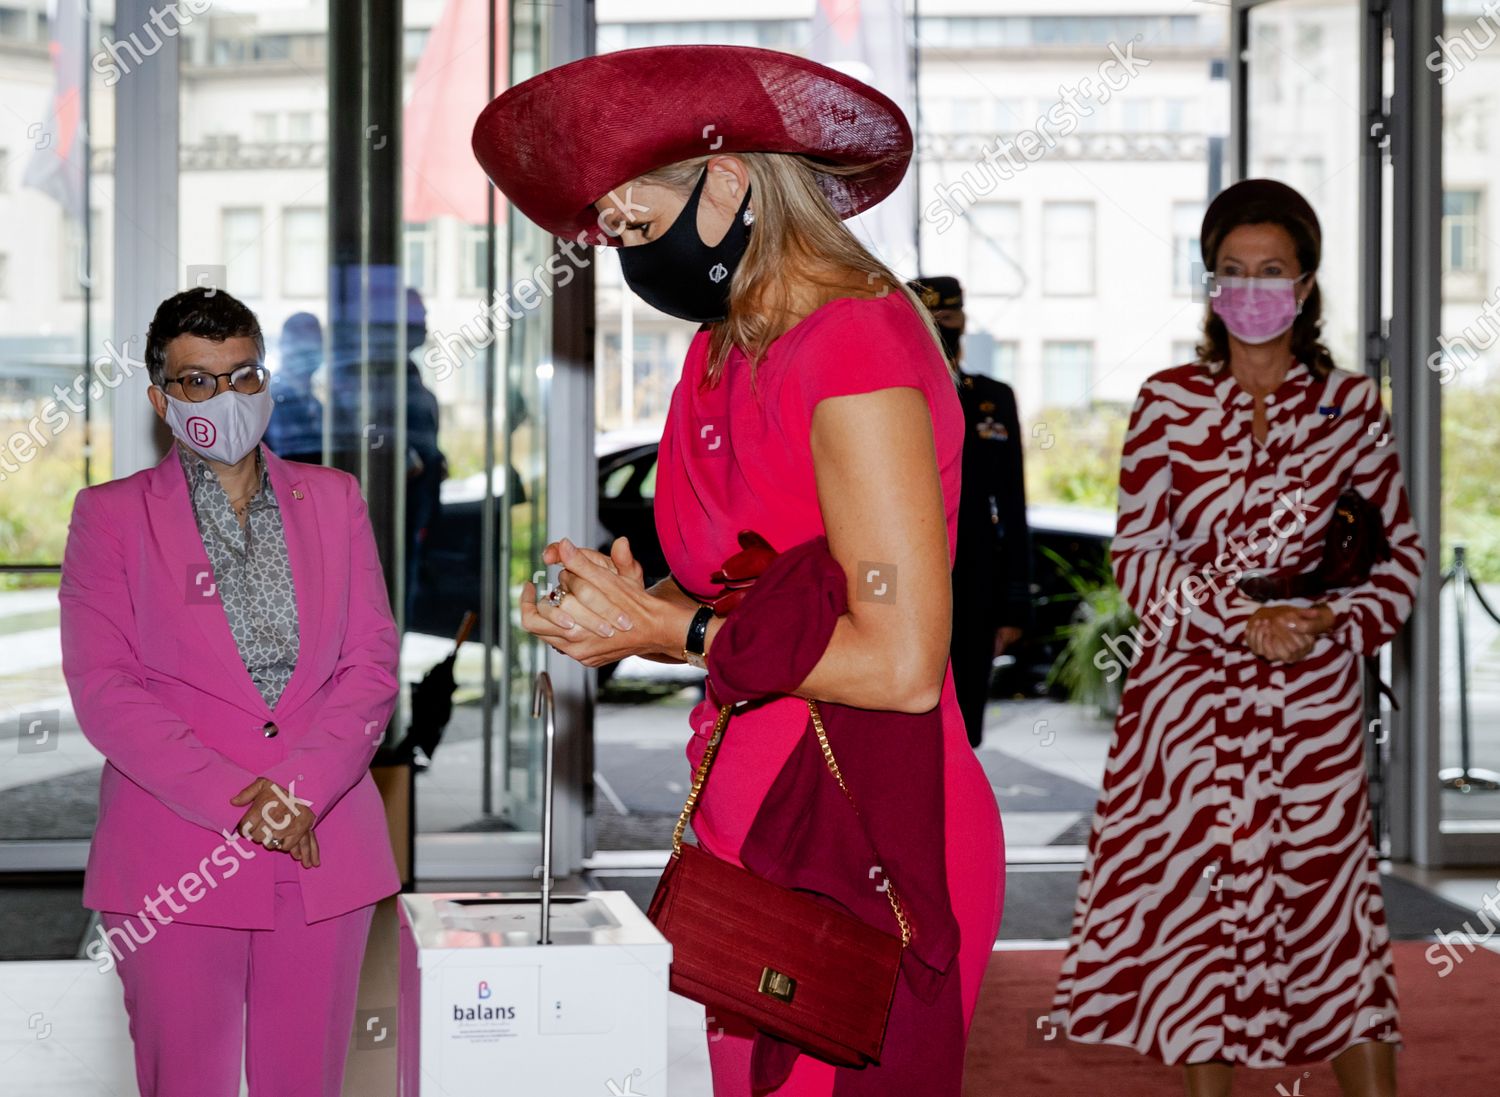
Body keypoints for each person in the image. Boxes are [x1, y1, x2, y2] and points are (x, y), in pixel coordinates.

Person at [473, 44, 1005, 1095]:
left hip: (861, 818)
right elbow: (748, 598)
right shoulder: (720, 347)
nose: (627, 255)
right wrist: (626, 607)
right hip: (745, 799)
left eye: (634, 224)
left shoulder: (851, 342)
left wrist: (669, 634)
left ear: (723, 179)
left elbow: (898, 660)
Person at [1049, 179, 1424, 1097]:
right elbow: (1137, 556)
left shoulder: (1348, 407)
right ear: (1210, 284)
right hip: (1187, 706)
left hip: (1313, 706)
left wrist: (1328, 618)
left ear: (1305, 286)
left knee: (1332, 917)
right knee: (1195, 924)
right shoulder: (1168, 402)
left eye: (1272, 271)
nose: (1252, 287)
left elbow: (1402, 560)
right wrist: (1236, 618)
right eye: (1232, 271)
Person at [58, 287, 401, 1097]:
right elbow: (106, 689)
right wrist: (245, 802)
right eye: (197, 381)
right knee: (186, 1081)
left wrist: (300, 796)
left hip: (321, 845)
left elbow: (372, 665)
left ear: (267, 381)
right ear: (160, 399)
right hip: (177, 849)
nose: (226, 397)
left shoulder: (337, 499)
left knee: (305, 1082)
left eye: (243, 375)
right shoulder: (109, 518)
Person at [912, 275, 1032, 747]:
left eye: (949, 318)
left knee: (963, 731)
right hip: (910, 580)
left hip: (977, 587)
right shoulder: (892, 400)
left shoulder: (991, 399)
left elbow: (1014, 505)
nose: (943, 328)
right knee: (910, 726)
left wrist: (1015, 603)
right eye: (931, 319)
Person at [266, 310, 325, 463]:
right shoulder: (272, 400)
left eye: (315, 342)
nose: (309, 352)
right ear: (284, 347)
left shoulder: (315, 403)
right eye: (301, 343)